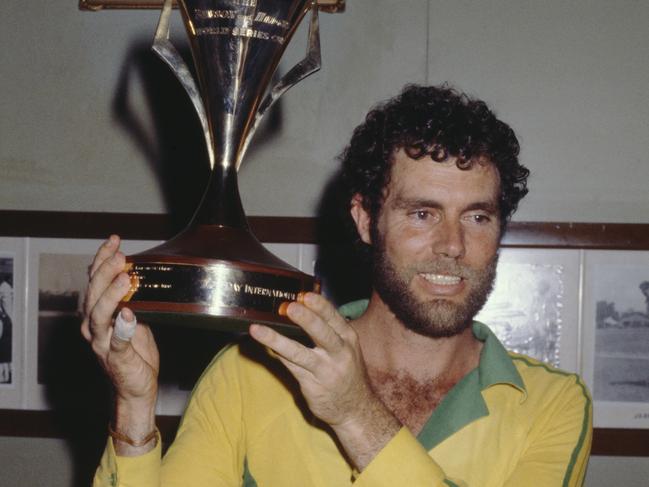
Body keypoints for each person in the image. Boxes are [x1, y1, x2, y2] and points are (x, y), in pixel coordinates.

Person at [84, 84, 592, 486]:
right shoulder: (249, 372)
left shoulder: (552, 404)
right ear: (366, 220)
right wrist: (134, 407)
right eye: (422, 213)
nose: (453, 245)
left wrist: (357, 415)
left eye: (478, 217)